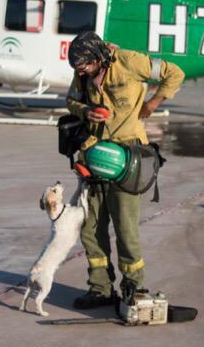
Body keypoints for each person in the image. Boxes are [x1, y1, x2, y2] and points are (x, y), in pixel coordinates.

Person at [64, 31, 185, 308]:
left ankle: (134, 286)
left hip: (128, 156)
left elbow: (174, 73)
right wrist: (85, 112)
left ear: (98, 58)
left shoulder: (130, 61)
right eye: (76, 69)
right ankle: (100, 289)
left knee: (125, 228)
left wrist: (152, 103)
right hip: (95, 155)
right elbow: (71, 100)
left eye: (83, 67)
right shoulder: (81, 71)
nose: (79, 72)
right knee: (91, 227)